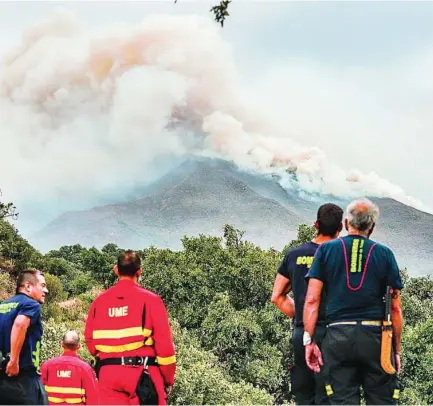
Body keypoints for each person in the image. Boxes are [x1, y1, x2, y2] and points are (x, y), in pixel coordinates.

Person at [303, 198, 404, 405]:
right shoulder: (384, 254)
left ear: (347, 224)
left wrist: (309, 341)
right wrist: (396, 350)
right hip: (375, 340)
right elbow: (395, 308)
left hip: (337, 338)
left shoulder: (326, 251)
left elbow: (312, 300)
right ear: (372, 227)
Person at [271, 203, 343, 405]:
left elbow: (277, 296)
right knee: (330, 395)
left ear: (316, 224)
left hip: (302, 335)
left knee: (304, 395)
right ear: (340, 229)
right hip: (335, 333)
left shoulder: (294, 255)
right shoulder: (341, 256)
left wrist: (300, 316)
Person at [84, 250, 176, 405]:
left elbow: (90, 342)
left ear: (116, 270)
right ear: (139, 271)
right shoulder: (151, 300)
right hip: (142, 375)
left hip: (108, 376)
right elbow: (165, 348)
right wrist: (168, 379)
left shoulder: (98, 302)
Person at [0, 269, 49, 405]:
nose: (46, 291)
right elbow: (20, 324)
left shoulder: (3, 306)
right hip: (24, 379)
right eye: (43, 286)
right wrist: (14, 361)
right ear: (28, 286)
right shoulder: (31, 304)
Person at [41, 330, 99, 405]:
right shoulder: (85, 368)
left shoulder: (47, 366)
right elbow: (93, 398)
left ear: (61, 344)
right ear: (79, 346)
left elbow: (38, 393)